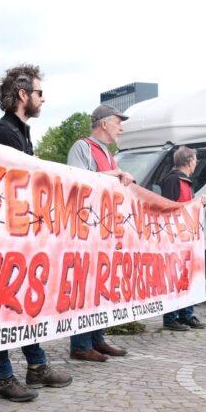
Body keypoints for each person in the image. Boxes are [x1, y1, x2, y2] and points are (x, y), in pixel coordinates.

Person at [0, 64, 72, 402]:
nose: (42, 99)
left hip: (20, 236)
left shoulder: (20, 133)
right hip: (1, 238)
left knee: (22, 304)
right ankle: (3, 377)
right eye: (38, 93)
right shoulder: (4, 134)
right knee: (2, 307)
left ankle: (36, 366)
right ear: (23, 95)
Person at [66, 104, 135, 361]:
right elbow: (75, 181)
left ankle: (96, 338)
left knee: (99, 285)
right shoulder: (82, 147)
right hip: (85, 229)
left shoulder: (107, 153)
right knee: (85, 286)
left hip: (102, 229)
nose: (121, 127)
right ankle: (80, 344)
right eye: (118, 121)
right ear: (104, 123)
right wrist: (114, 174)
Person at [159, 146, 206, 331]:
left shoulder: (185, 181)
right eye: (195, 159)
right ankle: (171, 318)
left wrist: (198, 203)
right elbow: (168, 208)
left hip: (186, 239)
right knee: (175, 279)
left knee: (187, 278)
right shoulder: (173, 180)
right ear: (188, 161)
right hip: (176, 239)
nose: (196, 162)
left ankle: (186, 315)